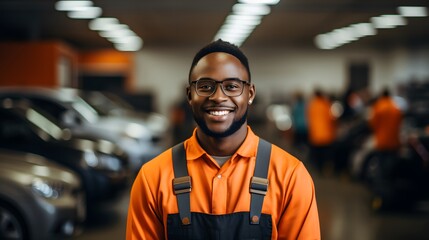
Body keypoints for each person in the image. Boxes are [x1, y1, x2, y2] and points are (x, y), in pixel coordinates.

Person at [126, 39, 320, 239]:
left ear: (250, 93)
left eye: (232, 86)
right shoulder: (152, 179)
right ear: (189, 95)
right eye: (206, 86)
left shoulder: (291, 177)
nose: (218, 96)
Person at [307, 89, 337, 174]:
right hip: (326, 134)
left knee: (317, 154)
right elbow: (331, 118)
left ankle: (318, 168)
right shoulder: (326, 104)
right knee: (325, 154)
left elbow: (309, 118)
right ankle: (324, 168)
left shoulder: (312, 105)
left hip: (315, 134)